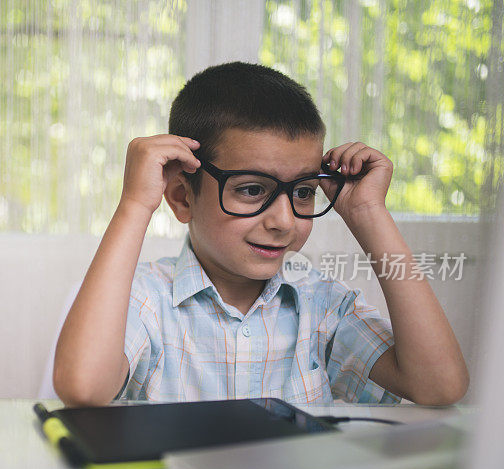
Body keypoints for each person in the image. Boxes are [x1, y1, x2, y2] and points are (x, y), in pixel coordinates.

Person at [53, 61, 468, 407]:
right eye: (252, 190)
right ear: (182, 197)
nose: (284, 221)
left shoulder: (321, 305)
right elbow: (83, 387)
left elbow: (440, 387)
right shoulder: (148, 300)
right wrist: (134, 206)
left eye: (303, 193)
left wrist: (368, 213)